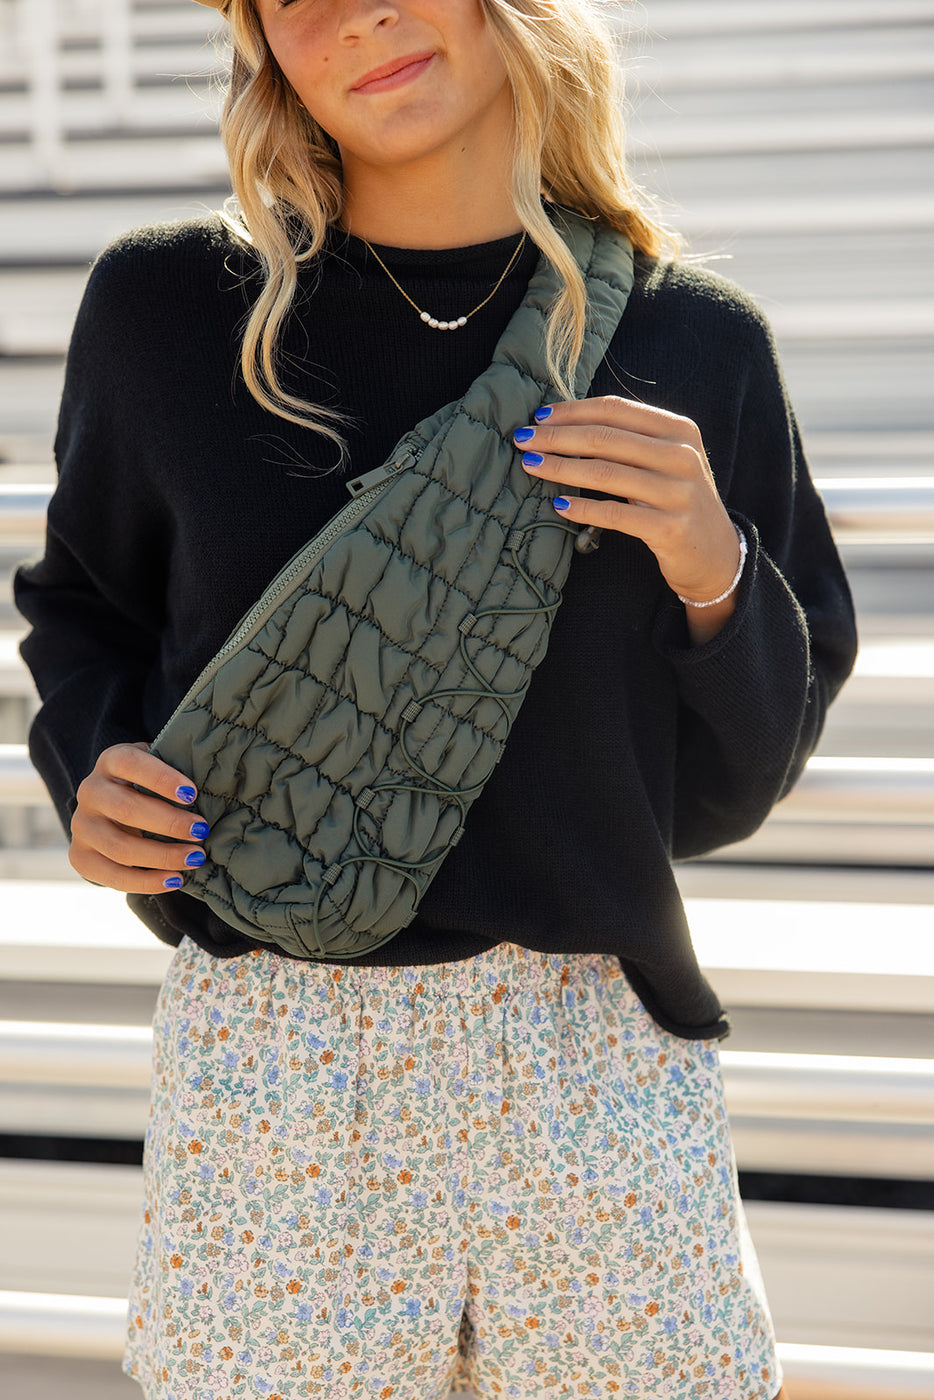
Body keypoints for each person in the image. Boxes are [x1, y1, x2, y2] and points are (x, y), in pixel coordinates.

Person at [15, 1, 857, 1396]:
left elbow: (731, 785)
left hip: (591, 1058)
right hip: (280, 1055)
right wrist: (95, 770)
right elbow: (84, 609)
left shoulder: (693, 343)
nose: (358, 19)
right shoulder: (169, 312)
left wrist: (713, 566)